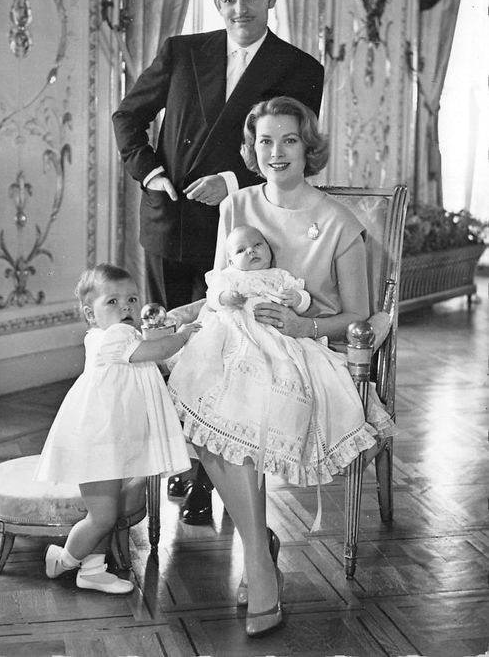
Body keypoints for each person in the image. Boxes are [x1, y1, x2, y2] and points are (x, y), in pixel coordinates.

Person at [167, 96, 395, 637]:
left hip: (308, 347)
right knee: (195, 390)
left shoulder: (338, 222)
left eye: (288, 140)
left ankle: (260, 562)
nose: (276, 152)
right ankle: (259, 554)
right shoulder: (236, 206)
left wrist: (299, 326)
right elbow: (223, 287)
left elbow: (357, 315)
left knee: (237, 401)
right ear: (252, 148)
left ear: (307, 146)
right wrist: (186, 316)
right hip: (237, 342)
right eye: (265, 141)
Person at [112, 0, 324, 523]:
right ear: (216, 1)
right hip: (171, 221)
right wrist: (152, 175)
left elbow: (295, 154)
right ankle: (182, 465)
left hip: (243, 237)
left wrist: (231, 181)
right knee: (170, 345)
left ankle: (213, 479)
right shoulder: (182, 51)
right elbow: (127, 117)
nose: (240, 9)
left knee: (225, 353)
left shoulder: (300, 67)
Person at [33, 263, 200, 594]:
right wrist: (183, 335)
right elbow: (159, 350)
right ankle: (63, 560)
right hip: (98, 443)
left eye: (132, 300)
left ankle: (93, 570)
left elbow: (147, 348)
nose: (126, 307)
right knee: (102, 517)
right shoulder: (112, 337)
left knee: (106, 511)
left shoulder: (116, 335)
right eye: (113, 301)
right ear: (90, 314)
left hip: (109, 440)